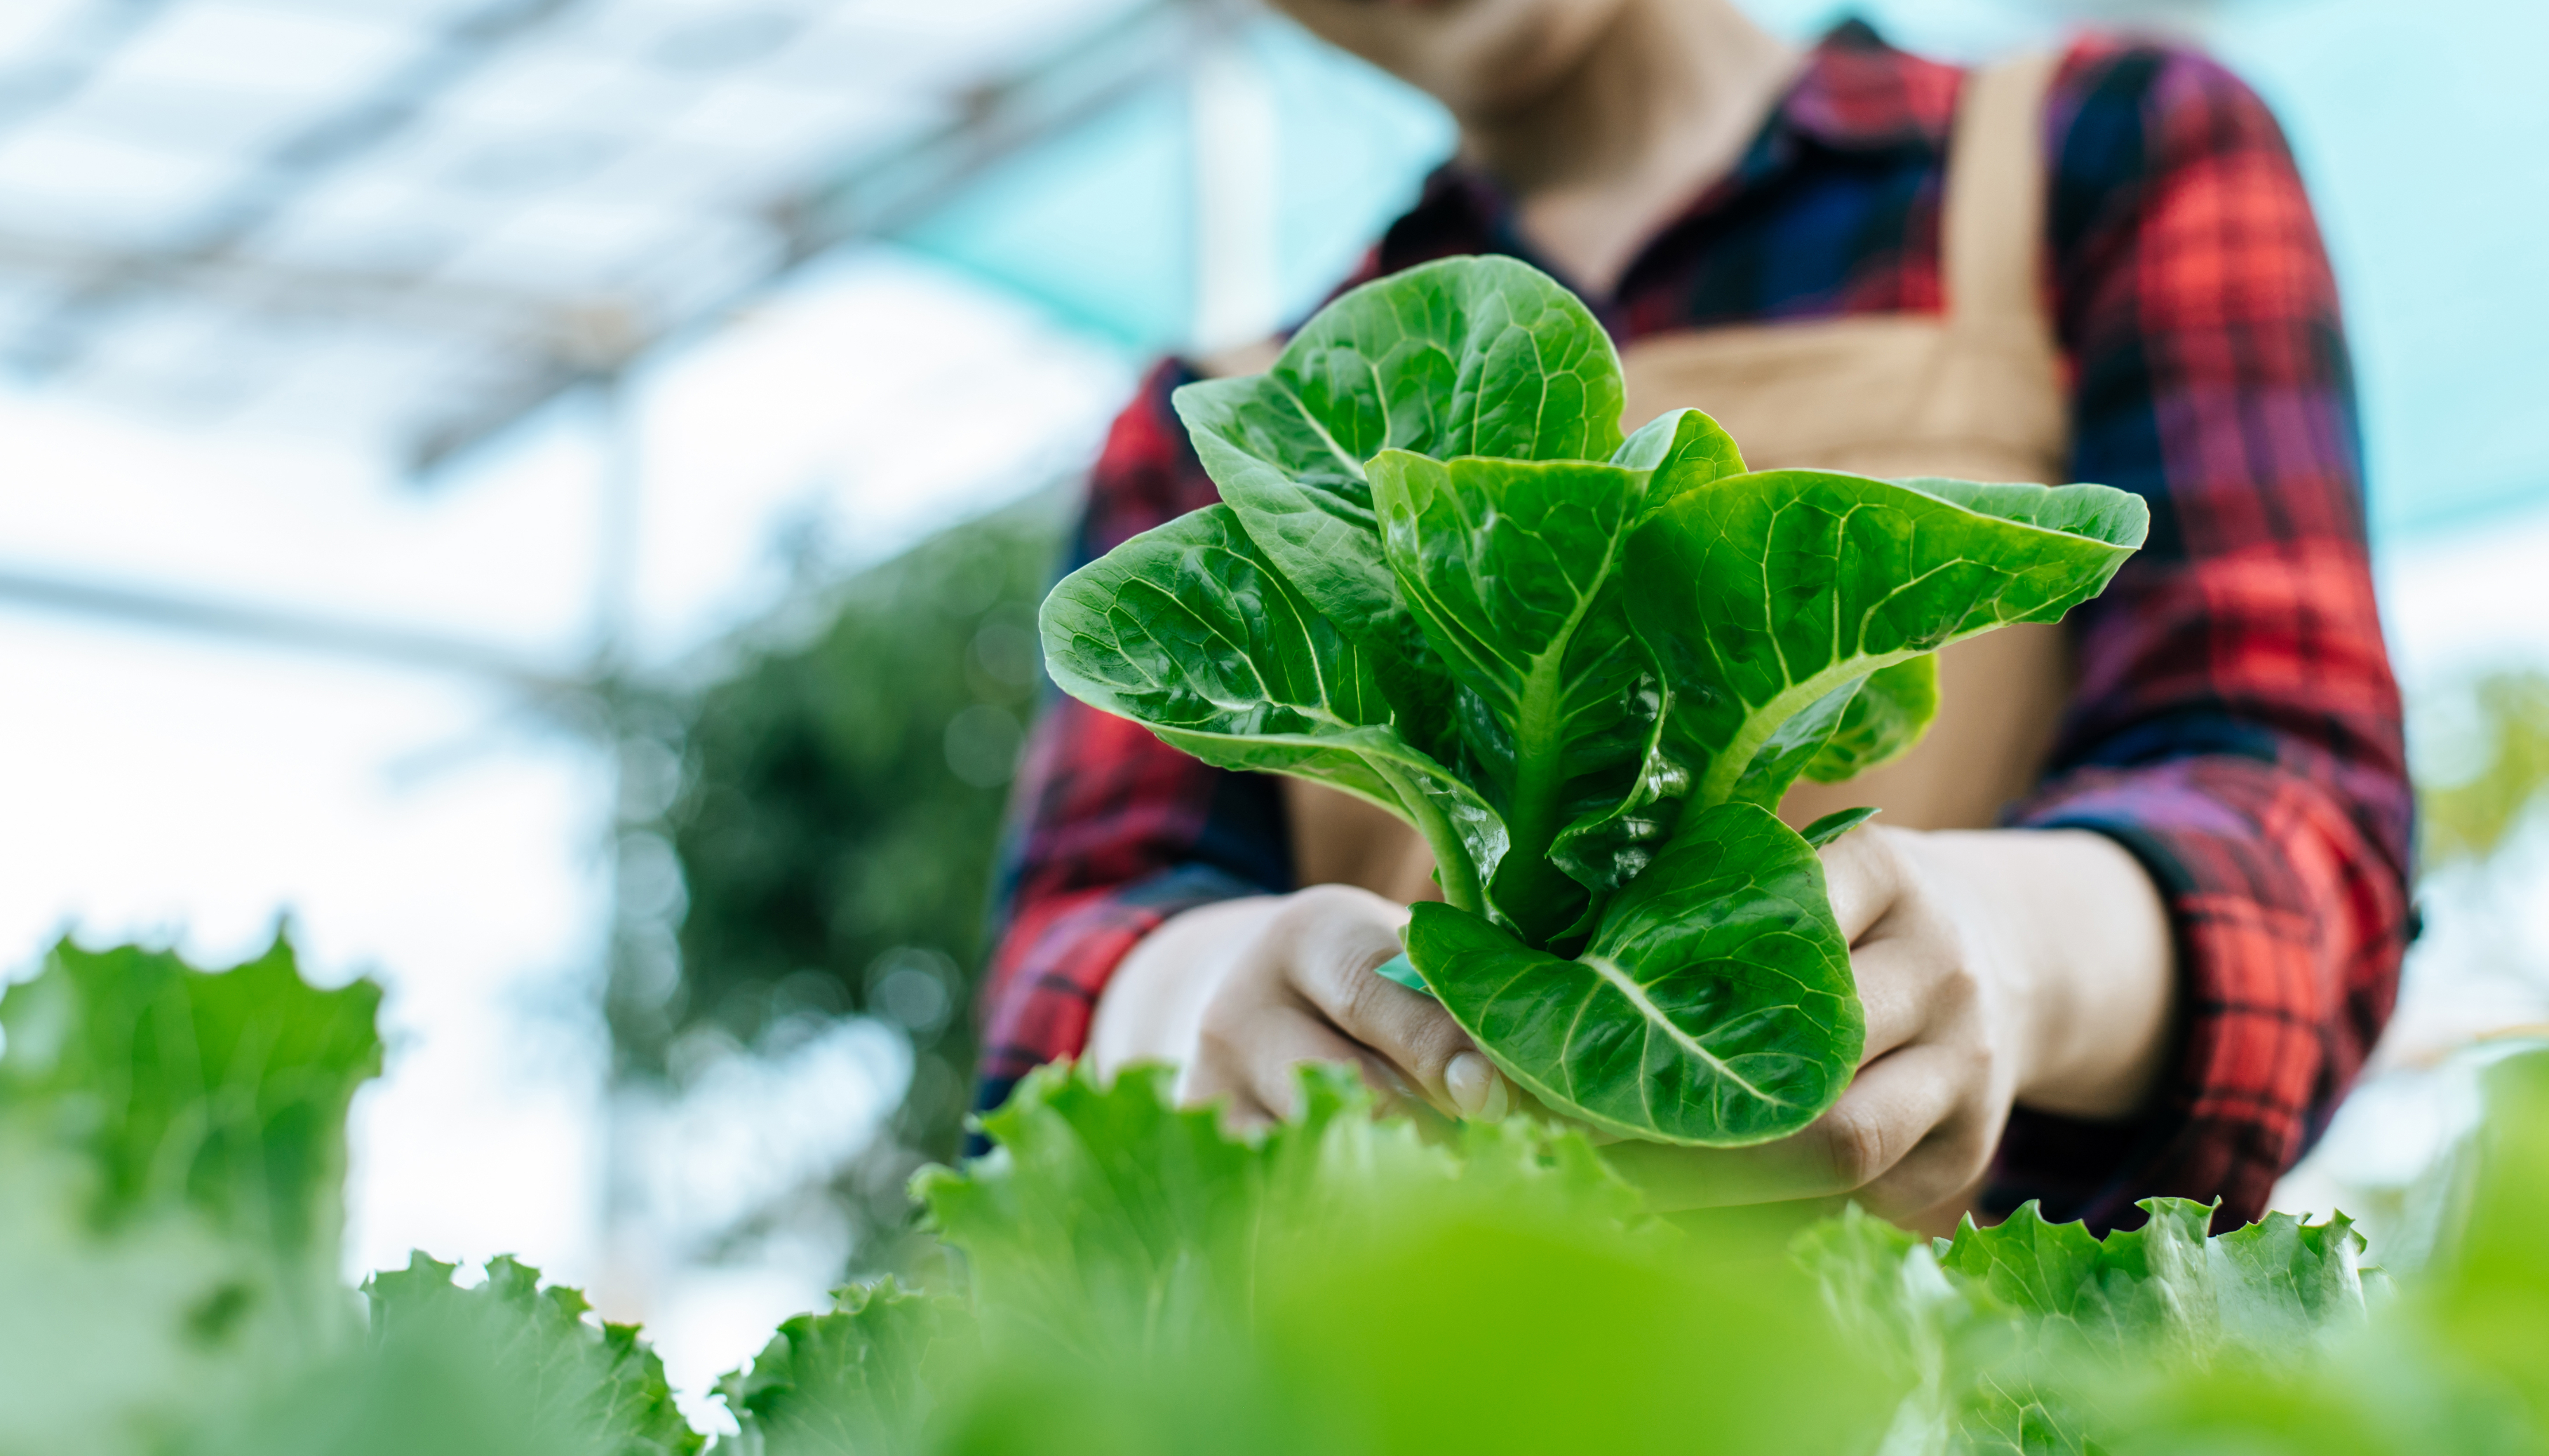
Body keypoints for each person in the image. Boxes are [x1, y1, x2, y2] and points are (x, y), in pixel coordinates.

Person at [973, 0, 2411, 1234]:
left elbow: (2291, 807)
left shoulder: (2097, 151)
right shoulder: (1224, 425)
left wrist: (2009, 950)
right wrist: (1190, 1005)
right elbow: (1067, 962)